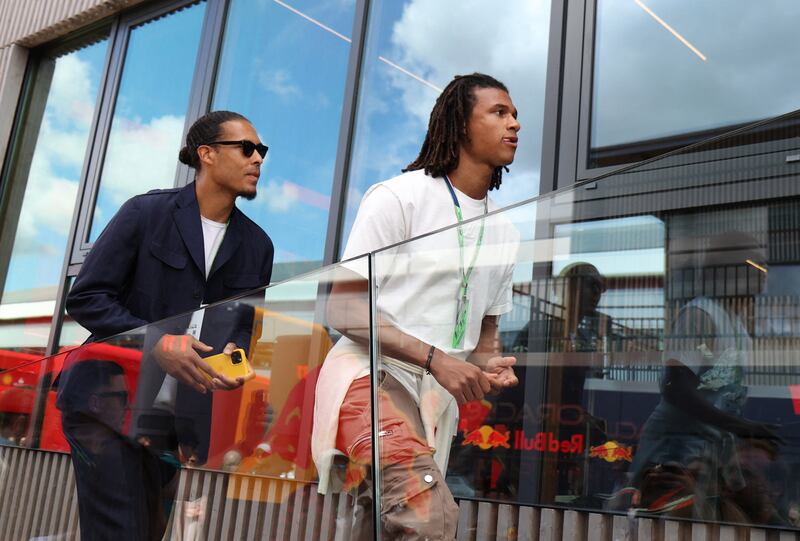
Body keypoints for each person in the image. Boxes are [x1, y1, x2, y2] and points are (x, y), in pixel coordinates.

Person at [312, 73, 521, 539]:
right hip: (368, 376)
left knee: (384, 524)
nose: (515, 123)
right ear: (461, 125)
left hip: (431, 398)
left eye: (514, 114)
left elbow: (485, 339)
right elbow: (342, 312)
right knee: (427, 517)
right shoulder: (398, 196)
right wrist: (436, 359)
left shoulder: (506, 231)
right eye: (499, 112)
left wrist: (489, 366)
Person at [58, 110, 274, 540]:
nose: (258, 160)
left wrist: (234, 358)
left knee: (148, 532)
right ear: (207, 154)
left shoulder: (258, 246)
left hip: (175, 423)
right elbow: (85, 298)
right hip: (107, 402)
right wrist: (154, 341)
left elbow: (243, 327)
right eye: (247, 148)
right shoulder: (145, 212)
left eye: (262, 151)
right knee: (123, 532)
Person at [623, 232, 783, 521]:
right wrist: (740, 425)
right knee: (662, 527)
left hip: (708, 452)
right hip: (674, 450)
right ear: (731, 269)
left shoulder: (738, 328)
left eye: (765, 269)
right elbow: (676, 388)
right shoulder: (700, 314)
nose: (764, 277)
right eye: (756, 267)